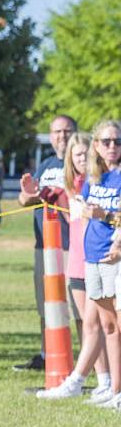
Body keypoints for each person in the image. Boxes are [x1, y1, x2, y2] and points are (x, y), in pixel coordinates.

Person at [36, 132, 111, 399]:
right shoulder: (70, 185)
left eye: (85, 153)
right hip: (77, 261)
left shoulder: (101, 183)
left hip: (99, 259)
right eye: (76, 154)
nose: (81, 158)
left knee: (97, 323)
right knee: (87, 324)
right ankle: (103, 380)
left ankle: (77, 381)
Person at [15, 115, 78, 372]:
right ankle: (47, 354)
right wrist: (32, 193)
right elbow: (24, 200)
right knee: (46, 303)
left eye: (67, 131)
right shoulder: (47, 165)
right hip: (45, 245)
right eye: (56, 132)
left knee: (79, 306)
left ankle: (90, 359)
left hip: (73, 245)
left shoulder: (83, 163)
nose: (61, 136)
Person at [73, 120, 121, 408]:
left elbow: (112, 217)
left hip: (115, 257)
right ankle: (115, 391)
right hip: (93, 257)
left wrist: (105, 216)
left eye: (117, 141)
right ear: (96, 146)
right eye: (106, 141)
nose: (112, 147)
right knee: (109, 327)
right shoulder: (95, 178)